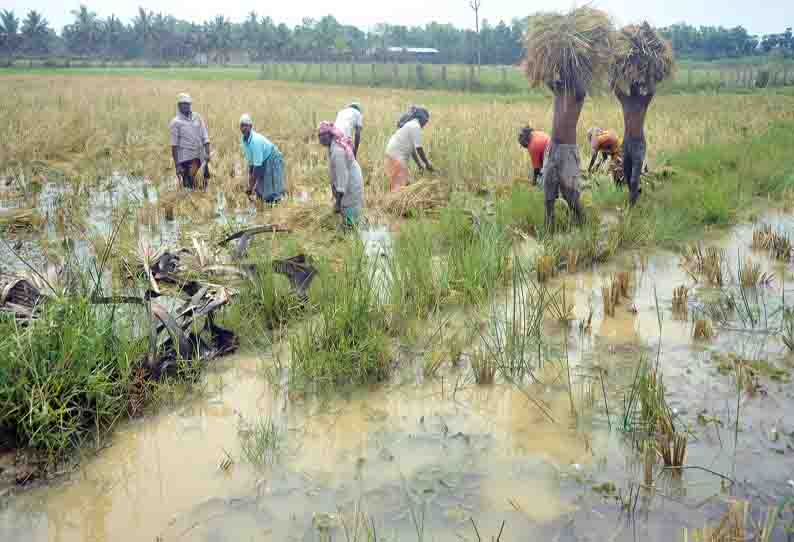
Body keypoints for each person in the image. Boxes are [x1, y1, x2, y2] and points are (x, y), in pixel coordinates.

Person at [542, 80, 586, 231]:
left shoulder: (579, 92)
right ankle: (549, 230)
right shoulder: (559, 89)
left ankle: (583, 227)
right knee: (548, 195)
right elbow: (547, 78)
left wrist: (572, 66)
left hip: (568, 151)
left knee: (571, 195)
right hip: (552, 148)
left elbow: (581, 84)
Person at [318, 121, 364, 229]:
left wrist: (338, 202)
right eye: (319, 136)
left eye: (322, 136)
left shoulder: (337, 151)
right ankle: (350, 229)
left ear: (330, 135)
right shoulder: (332, 146)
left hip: (351, 184)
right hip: (347, 183)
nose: (320, 139)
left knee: (350, 215)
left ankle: (352, 233)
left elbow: (342, 178)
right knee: (347, 213)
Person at [615, 82, 655, 206]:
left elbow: (652, 89)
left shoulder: (644, 101)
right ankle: (634, 193)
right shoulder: (625, 100)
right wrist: (615, 73)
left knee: (633, 180)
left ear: (639, 87)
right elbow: (615, 88)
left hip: (638, 145)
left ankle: (631, 210)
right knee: (627, 177)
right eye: (631, 84)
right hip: (626, 144)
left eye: (636, 85)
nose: (633, 87)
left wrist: (650, 75)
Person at [239, 114, 285, 204]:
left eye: (245, 125)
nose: (243, 128)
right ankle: (262, 204)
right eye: (241, 125)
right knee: (260, 190)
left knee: (272, 190)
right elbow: (251, 163)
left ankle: (276, 208)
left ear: (250, 127)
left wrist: (250, 187)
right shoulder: (243, 140)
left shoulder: (255, 141)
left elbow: (257, 168)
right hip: (262, 159)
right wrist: (250, 182)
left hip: (272, 157)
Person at [385, 107, 433, 192]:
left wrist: (419, 165)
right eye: (426, 121)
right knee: (400, 184)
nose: (425, 124)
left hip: (393, 153)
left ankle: (394, 199)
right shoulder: (415, 127)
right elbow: (419, 149)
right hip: (396, 155)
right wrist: (427, 164)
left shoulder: (412, 125)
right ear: (421, 119)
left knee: (404, 182)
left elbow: (412, 150)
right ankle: (393, 201)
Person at [169, 93, 210, 190]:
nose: (187, 106)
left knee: (204, 185)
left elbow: (205, 136)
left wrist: (207, 153)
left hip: (200, 157)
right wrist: (177, 166)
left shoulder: (197, 117)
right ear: (179, 106)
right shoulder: (176, 122)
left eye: (188, 104)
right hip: (186, 159)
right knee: (190, 188)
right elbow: (174, 146)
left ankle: (203, 203)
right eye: (184, 104)